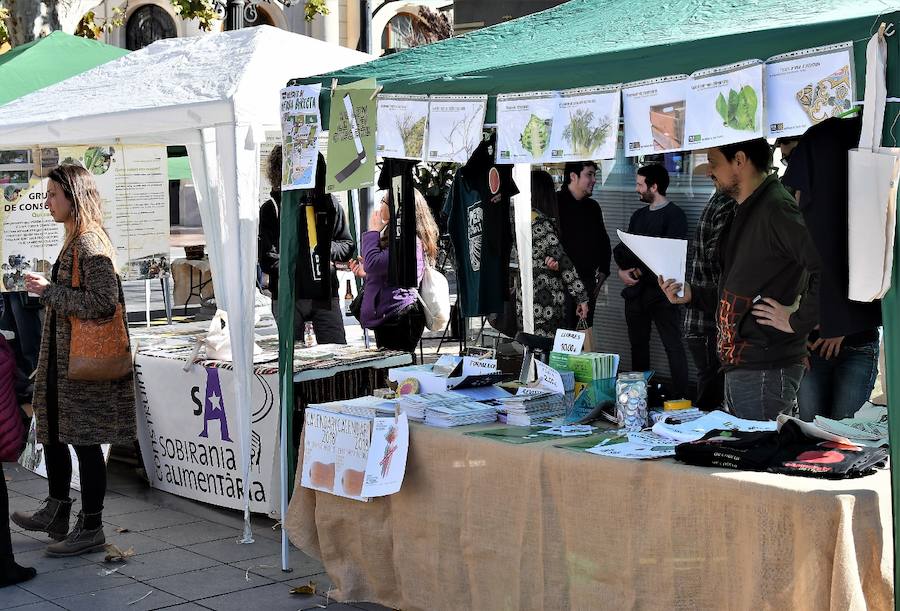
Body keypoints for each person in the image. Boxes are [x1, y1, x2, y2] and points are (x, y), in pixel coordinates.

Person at [13, 165, 136, 556]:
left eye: (52, 195)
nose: (47, 202)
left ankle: (92, 525)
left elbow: (104, 302)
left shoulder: (89, 244)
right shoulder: (75, 239)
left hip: (84, 364)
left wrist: (51, 292)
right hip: (64, 361)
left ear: (72, 196)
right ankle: (57, 509)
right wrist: (51, 290)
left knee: (84, 442)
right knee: (52, 431)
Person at [659, 139, 821, 421]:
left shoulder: (776, 208)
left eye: (713, 162)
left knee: (755, 455)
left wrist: (797, 319)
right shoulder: (744, 208)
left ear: (740, 160)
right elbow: (740, 287)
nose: (710, 171)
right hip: (742, 363)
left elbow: (826, 268)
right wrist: (693, 294)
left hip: (765, 365)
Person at [781, 117, 882, 421]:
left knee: (841, 444)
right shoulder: (795, 223)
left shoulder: (859, 210)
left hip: (854, 341)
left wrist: (838, 323)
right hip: (813, 345)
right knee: (821, 442)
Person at [258, 147, 355, 343]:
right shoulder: (272, 209)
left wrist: (323, 249)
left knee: (334, 354)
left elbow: (347, 245)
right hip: (288, 295)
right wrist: (302, 264)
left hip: (324, 295)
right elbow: (268, 259)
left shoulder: (328, 204)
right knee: (293, 362)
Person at [613, 164, 689, 399]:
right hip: (637, 294)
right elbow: (624, 250)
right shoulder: (638, 216)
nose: (636, 189)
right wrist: (622, 271)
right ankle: (638, 398)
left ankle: (682, 397)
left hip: (664, 293)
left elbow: (668, 256)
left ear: (654, 187)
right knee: (638, 346)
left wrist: (640, 270)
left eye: (640, 184)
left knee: (673, 345)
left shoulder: (674, 216)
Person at [350, 189, 439, 353]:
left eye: (382, 202)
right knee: (392, 372)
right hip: (391, 313)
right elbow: (382, 268)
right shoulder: (402, 237)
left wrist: (373, 232)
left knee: (397, 373)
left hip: (398, 315)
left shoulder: (407, 240)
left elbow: (373, 263)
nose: (379, 207)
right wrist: (368, 273)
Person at [516, 170, 589, 338]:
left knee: (531, 348)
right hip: (545, 301)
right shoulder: (539, 222)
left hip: (525, 297)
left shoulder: (519, 217)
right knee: (546, 353)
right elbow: (562, 260)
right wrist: (581, 297)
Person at [683, 191, 735, 410]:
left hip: (703, 320)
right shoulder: (727, 204)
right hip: (711, 322)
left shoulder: (719, 202)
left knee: (710, 394)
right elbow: (720, 268)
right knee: (712, 400)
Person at [557, 161, 611, 328]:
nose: (594, 180)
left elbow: (603, 240)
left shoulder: (592, 206)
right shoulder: (555, 202)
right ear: (573, 176)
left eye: (595, 175)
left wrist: (604, 270)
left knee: (583, 334)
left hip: (587, 281)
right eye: (589, 174)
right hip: (560, 283)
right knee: (560, 338)